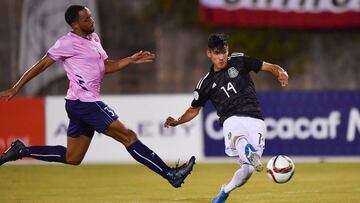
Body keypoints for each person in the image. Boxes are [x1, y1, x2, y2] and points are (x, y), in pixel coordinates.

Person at [0, 5, 195, 188]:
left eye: (91, 17)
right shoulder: (67, 43)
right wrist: (17, 87)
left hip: (78, 104)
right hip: (86, 103)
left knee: (73, 157)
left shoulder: (93, 39)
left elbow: (104, 66)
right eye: (86, 19)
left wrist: (130, 60)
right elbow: (42, 64)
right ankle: (171, 175)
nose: (91, 21)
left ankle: (21, 151)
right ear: (75, 24)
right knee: (129, 136)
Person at [164, 33, 288, 202]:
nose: (221, 57)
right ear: (209, 54)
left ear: (227, 50)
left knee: (249, 170)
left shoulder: (239, 60)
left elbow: (268, 66)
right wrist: (177, 121)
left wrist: (280, 71)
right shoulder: (205, 83)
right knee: (239, 138)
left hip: (255, 117)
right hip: (231, 118)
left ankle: (224, 192)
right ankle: (246, 149)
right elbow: (194, 110)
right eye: (217, 53)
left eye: (223, 52)